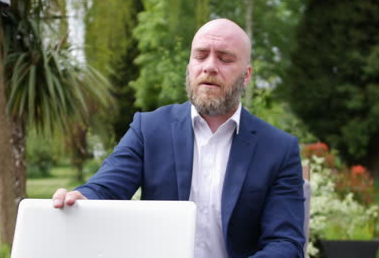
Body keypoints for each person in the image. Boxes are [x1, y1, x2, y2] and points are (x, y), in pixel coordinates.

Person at [52, 18, 305, 258]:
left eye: (225, 58)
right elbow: (105, 189)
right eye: (201, 55)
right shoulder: (148, 129)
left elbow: (285, 243)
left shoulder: (279, 149)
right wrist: (82, 198)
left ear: (247, 75)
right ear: (190, 66)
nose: (209, 66)